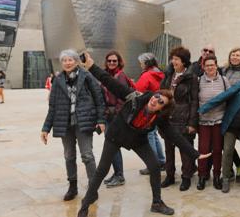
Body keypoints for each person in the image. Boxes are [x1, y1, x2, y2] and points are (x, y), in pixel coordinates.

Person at [76, 51, 211, 216]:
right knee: (101, 171)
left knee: (154, 167)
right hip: (116, 136)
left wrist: (195, 154)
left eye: (161, 102)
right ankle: (84, 206)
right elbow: (108, 81)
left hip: (137, 140)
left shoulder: (159, 117)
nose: (156, 101)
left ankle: (157, 203)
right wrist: (91, 66)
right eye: (156, 97)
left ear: (163, 108)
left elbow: (175, 136)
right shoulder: (135, 98)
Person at [40, 49, 106, 202]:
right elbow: (53, 107)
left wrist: (101, 120)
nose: (67, 63)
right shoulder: (57, 80)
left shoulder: (87, 77)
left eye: (70, 60)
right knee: (69, 156)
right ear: (61, 63)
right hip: (65, 124)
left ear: (76, 62)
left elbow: (99, 100)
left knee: (87, 155)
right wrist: (45, 128)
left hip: (84, 121)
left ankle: (92, 188)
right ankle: (72, 186)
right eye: (64, 60)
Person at [159, 46, 199, 191]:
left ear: (184, 61)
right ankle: (169, 176)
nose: (173, 61)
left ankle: (186, 177)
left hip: (183, 118)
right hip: (167, 118)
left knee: (185, 151)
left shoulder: (191, 78)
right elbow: (160, 96)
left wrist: (192, 123)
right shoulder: (168, 76)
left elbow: (195, 101)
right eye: (173, 59)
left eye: (177, 59)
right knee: (168, 150)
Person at [197, 54, 230, 190]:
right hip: (203, 122)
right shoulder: (199, 80)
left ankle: (217, 175)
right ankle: (202, 176)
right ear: (203, 67)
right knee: (203, 149)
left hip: (219, 120)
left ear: (216, 65)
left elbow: (230, 97)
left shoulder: (223, 80)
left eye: (212, 65)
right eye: (207, 65)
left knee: (217, 149)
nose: (210, 67)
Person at [101, 51, 132, 188]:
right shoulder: (108, 75)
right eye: (109, 61)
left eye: (114, 61)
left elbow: (123, 98)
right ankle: (117, 173)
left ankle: (119, 175)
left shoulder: (120, 76)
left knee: (112, 146)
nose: (112, 63)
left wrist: (115, 113)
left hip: (116, 116)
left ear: (119, 62)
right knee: (111, 146)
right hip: (109, 115)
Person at [220, 47, 240, 182]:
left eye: (238, 55)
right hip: (223, 112)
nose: (235, 57)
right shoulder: (224, 70)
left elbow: (238, 91)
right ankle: (234, 168)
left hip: (238, 113)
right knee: (226, 146)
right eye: (233, 55)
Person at [135, 53, 167, 176]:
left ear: (146, 63)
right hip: (159, 107)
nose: (140, 64)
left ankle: (152, 164)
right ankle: (161, 161)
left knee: (149, 136)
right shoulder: (160, 73)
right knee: (154, 135)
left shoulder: (147, 75)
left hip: (148, 109)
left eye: (141, 62)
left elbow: (139, 91)